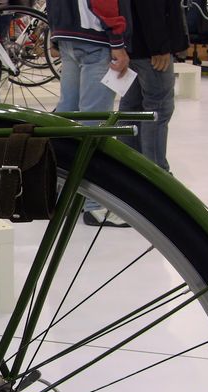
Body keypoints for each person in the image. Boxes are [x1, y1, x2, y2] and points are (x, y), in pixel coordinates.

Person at [46, 0, 130, 226]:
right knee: (95, 123)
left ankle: (60, 195)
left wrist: (54, 31)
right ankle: (95, 206)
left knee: (67, 118)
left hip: (67, 33)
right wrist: (117, 39)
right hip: (94, 36)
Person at [118, 0, 189, 172]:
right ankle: (155, 174)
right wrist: (159, 47)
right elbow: (151, 7)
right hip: (149, 50)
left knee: (131, 107)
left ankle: (128, 168)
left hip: (128, 43)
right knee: (157, 109)